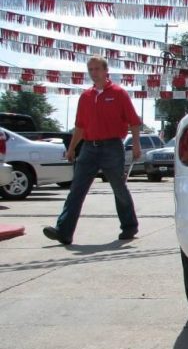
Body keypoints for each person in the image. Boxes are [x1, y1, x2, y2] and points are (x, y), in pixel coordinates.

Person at [43, 56, 142, 245]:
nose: (93, 73)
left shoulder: (119, 93)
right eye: (90, 69)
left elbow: (134, 122)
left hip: (112, 146)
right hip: (89, 148)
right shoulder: (86, 96)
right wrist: (71, 148)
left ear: (106, 72)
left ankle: (129, 226)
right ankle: (64, 231)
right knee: (76, 189)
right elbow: (80, 126)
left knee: (118, 188)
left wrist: (136, 144)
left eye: (97, 69)